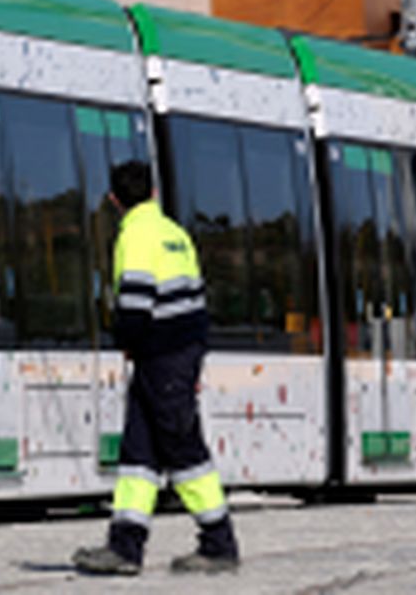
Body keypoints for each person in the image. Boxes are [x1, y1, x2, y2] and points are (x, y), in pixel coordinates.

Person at [73, 159, 241, 577]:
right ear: (153, 193)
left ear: (114, 200)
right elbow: (198, 307)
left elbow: (134, 305)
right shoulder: (176, 234)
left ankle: (219, 543)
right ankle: (125, 547)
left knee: (184, 452)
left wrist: (126, 343)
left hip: (159, 359)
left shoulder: (135, 237)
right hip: (178, 356)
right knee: (138, 454)